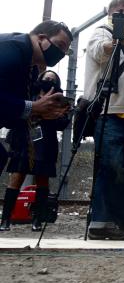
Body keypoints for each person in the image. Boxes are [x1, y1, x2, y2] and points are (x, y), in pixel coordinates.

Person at [82, 0, 124, 240]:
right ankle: (101, 220)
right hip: (107, 112)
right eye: (120, 11)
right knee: (110, 167)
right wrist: (115, 40)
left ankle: (119, 220)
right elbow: (99, 52)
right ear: (110, 12)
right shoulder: (101, 33)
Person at [0, 20, 73, 180]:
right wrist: (33, 107)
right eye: (60, 45)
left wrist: (42, 113)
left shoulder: (31, 68)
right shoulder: (11, 49)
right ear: (41, 38)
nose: (61, 54)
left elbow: (10, 114)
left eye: (65, 51)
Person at [0, 70, 71, 231]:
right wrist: (39, 111)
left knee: (42, 182)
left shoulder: (60, 100)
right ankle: (5, 219)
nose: (48, 80)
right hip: (24, 141)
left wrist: (59, 113)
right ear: (40, 79)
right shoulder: (28, 93)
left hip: (45, 143)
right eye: (46, 78)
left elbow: (62, 123)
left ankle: (37, 219)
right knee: (16, 179)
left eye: (52, 79)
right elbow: (16, 114)